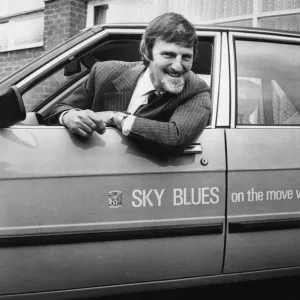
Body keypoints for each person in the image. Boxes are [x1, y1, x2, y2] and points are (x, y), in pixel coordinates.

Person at [47, 12, 211, 153]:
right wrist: (68, 116)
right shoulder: (104, 73)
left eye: (186, 57)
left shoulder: (197, 90)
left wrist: (116, 117)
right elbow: (56, 110)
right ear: (147, 52)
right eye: (168, 55)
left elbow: (175, 137)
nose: (177, 66)